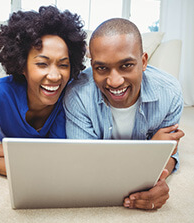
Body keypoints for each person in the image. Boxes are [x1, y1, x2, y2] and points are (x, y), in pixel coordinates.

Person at [0, 6, 86, 176]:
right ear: (22, 65)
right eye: (42, 64)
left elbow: (56, 158)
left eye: (63, 65)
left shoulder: (71, 94)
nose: (55, 76)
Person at [63, 18, 185, 210]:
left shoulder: (169, 93)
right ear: (92, 66)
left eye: (126, 65)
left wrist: (159, 178)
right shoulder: (77, 95)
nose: (114, 81)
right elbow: (85, 165)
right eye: (101, 68)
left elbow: (170, 154)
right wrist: (151, 152)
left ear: (143, 61)